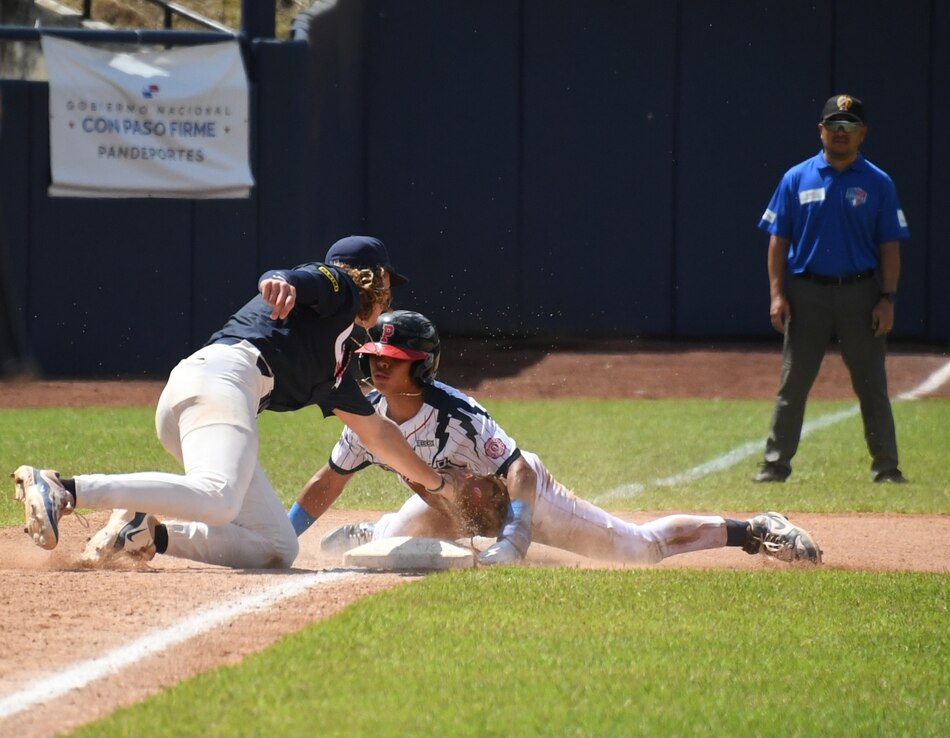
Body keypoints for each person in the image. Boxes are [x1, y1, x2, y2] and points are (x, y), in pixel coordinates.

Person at [13, 236, 451, 569]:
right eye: (388, 282)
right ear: (373, 277)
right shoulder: (342, 290)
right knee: (218, 499)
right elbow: (306, 277)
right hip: (222, 381)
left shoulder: (331, 358)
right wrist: (281, 281)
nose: (389, 293)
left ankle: (144, 533)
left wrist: (440, 488)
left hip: (205, 396)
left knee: (277, 546)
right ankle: (66, 488)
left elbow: (378, 434)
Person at [289, 310, 822, 566]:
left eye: (394, 359)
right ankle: (376, 529)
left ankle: (752, 530)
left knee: (637, 551)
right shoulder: (368, 419)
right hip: (453, 507)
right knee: (392, 542)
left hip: (523, 499)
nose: (380, 366)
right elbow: (329, 479)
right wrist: (284, 535)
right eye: (376, 357)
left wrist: (516, 535)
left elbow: (518, 470)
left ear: (422, 365)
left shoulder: (458, 415)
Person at [753, 94, 910, 484]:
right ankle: (775, 464)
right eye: (835, 125)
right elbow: (778, 240)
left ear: (863, 134)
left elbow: (890, 245)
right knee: (793, 382)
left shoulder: (878, 182)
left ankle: (886, 467)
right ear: (821, 130)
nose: (842, 133)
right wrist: (777, 293)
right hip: (807, 294)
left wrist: (888, 298)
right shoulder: (796, 178)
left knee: (872, 384)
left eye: (849, 126)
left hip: (861, 293)